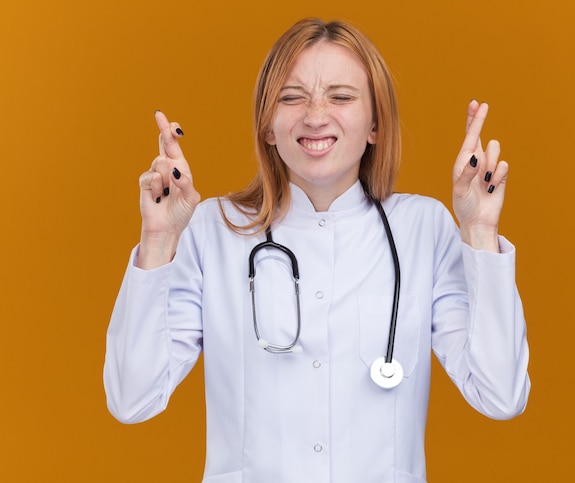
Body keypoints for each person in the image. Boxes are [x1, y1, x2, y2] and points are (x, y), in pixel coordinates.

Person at [104, 17, 530, 483]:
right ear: (268, 126)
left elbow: (500, 395)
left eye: (341, 96)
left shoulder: (423, 228)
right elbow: (132, 399)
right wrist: (160, 239)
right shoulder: (213, 228)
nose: (315, 115)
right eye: (292, 97)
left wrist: (481, 232)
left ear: (374, 125)